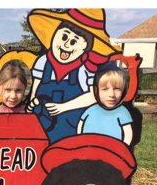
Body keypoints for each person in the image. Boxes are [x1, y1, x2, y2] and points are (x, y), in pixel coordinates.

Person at [25, 8, 120, 142]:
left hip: (72, 131)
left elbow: (94, 96)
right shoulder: (43, 62)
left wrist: (63, 107)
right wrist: (32, 103)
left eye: (74, 41)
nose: (66, 44)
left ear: (85, 47)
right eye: (64, 36)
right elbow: (35, 88)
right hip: (41, 128)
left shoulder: (85, 69)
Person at [76, 61, 134, 145]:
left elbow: (128, 134)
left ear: (123, 91)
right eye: (105, 89)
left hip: (112, 151)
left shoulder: (122, 112)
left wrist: (123, 148)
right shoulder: (91, 110)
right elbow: (81, 125)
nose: (112, 94)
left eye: (117, 89)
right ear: (97, 91)